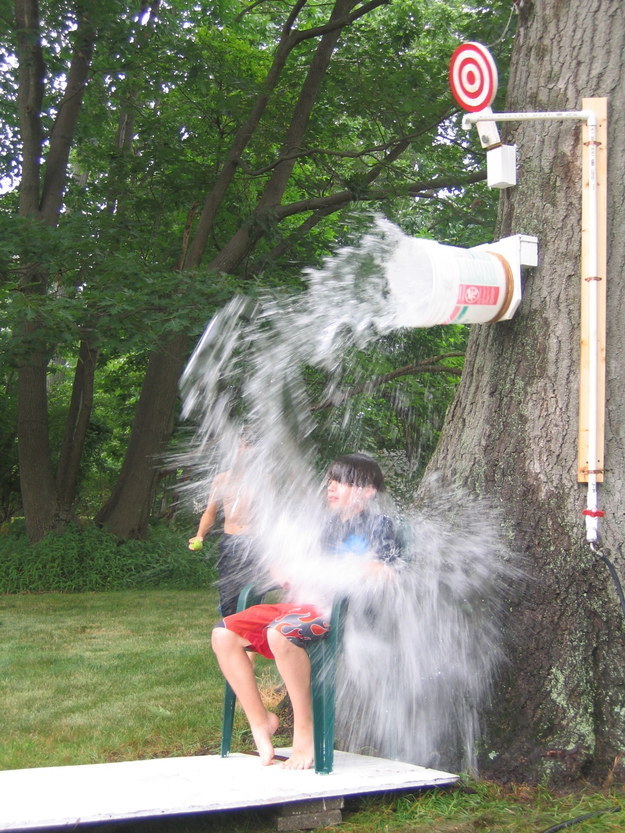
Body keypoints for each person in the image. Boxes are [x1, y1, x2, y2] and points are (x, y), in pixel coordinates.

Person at [211, 453, 400, 770]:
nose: (332, 488)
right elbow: (294, 562)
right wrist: (283, 569)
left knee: (281, 633)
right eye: (330, 481)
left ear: (367, 492)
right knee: (223, 634)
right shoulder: (326, 526)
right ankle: (261, 722)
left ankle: (305, 730)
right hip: (305, 608)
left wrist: (336, 569)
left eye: (343, 482)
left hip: (343, 615)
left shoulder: (378, 525)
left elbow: (385, 571)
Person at [189, 442, 259, 617]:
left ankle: (248, 635)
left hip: (255, 542)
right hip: (230, 542)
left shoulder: (263, 479)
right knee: (228, 594)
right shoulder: (221, 480)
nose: (241, 451)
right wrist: (200, 535)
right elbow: (210, 513)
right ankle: (229, 628)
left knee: (252, 594)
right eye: (238, 446)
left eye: (246, 447)